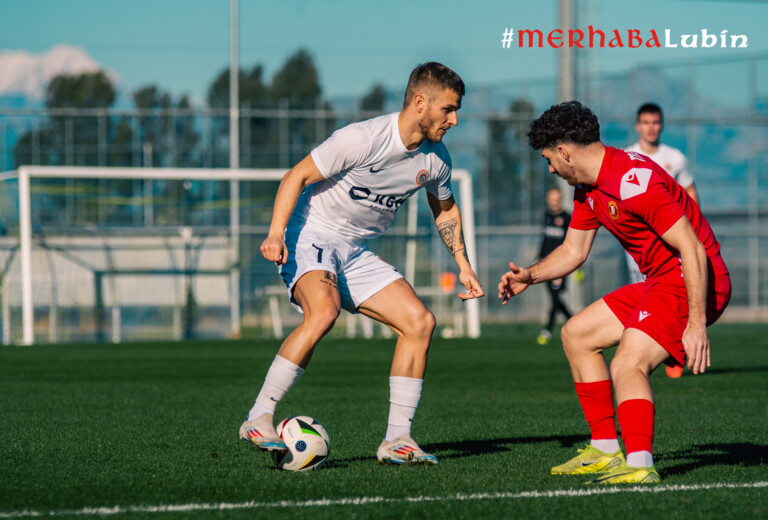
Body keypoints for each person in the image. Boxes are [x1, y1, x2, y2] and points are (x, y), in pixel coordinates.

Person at [242, 62, 484, 466]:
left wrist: (463, 262)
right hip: (311, 232)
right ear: (420, 102)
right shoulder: (362, 138)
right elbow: (295, 177)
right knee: (323, 313)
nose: (454, 120)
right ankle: (258, 417)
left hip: (354, 251)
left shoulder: (437, 161)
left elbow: (444, 209)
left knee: (420, 322)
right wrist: (275, 233)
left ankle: (397, 440)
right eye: (448, 109)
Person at [498, 101, 730, 484]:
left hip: (698, 280)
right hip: (658, 280)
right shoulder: (588, 188)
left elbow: (692, 248)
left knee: (627, 363)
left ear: (565, 150)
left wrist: (697, 322)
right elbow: (574, 251)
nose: (551, 168)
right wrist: (530, 275)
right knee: (577, 334)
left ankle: (640, 465)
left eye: (549, 159)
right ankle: (605, 450)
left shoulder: (632, 182)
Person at [626, 103, 700, 378]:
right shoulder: (628, 157)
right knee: (642, 293)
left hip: (672, 239)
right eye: (645, 122)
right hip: (640, 243)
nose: (651, 127)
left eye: (655, 122)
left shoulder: (675, 159)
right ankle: (649, 348)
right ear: (638, 125)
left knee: (672, 291)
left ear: (662, 125)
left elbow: (690, 193)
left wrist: (693, 229)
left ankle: (673, 352)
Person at [536, 187, 572, 345]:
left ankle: (548, 330)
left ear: (561, 199)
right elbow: (545, 240)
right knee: (556, 298)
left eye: (556, 199)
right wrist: (539, 258)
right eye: (551, 199)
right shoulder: (547, 216)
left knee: (555, 298)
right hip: (546, 264)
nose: (553, 202)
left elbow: (573, 244)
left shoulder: (567, 217)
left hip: (561, 265)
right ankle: (574, 323)